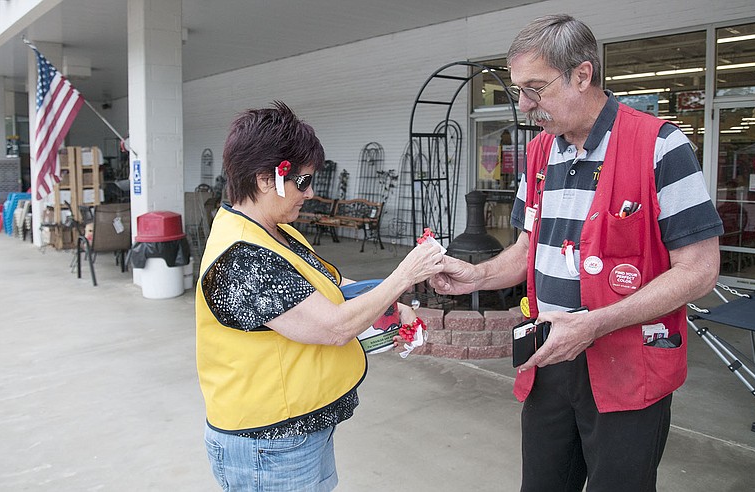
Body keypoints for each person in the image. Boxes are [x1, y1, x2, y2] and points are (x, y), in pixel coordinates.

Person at [431, 14, 723, 492]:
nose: (524, 106)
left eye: (535, 88)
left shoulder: (660, 146)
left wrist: (594, 323)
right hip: (549, 359)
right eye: (519, 90)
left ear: (582, 75)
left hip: (628, 369)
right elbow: (528, 249)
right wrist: (476, 276)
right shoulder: (540, 153)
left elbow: (699, 271)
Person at [196, 101, 444, 491]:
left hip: (298, 430)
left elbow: (334, 286)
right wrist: (404, 276)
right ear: (266, 179)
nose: (310, 193)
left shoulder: (276, 231)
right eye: (303, 182)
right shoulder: (242, 256)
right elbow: (332, 327)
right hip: (269, 443)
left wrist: (391, 310)